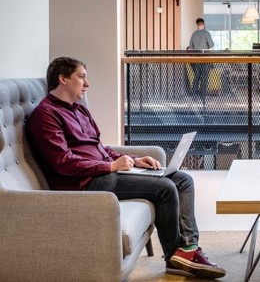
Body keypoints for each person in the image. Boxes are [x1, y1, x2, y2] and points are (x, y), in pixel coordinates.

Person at [25, 57, 226, 279]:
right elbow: (63, 162)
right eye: (81, 77)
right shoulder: (45, 115)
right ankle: (173, 257)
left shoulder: (80, 111)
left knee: (182, 179)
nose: (87, 84)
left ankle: (188, 248)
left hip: (103, 172)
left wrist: (132, 159)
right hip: (85, 182)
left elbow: (100, 148)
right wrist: (110, 166)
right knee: (165, 188)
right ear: (62, 79)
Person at [187, 17, 214, 103]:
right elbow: (211, 44)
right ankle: (203, 96)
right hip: (205, 59)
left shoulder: (194, 34)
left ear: (197, 25)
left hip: (196, 59)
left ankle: (194, 95)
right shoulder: (207, 33)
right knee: (205, 78)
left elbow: (190, 46)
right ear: (204, 24)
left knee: (197, 77)